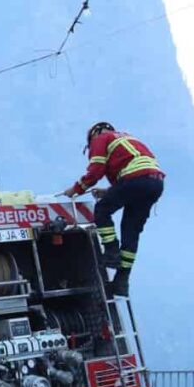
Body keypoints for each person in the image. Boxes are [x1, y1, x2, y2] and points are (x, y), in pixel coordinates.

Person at [63, 122, 164, 297]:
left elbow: (96, 171)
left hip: (135, 179)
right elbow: (135, 169)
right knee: (131, 231)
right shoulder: (128, 139)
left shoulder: (101, 138)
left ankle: (111, 252)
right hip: (155, 183)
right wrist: (108, 191)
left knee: (102, 211)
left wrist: (76, 189)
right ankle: (122, 280)